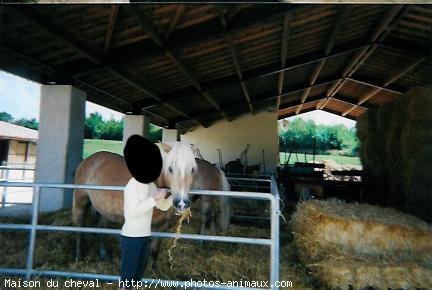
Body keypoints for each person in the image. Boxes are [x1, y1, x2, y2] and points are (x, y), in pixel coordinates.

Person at [120, 135, 169, 290]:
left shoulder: (151, 186)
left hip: (145, 237)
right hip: (131, 238)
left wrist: (176, 199)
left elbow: (163, 206)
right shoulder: (131, 186)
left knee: (137, 279)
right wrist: (154, 200)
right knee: (127, 280)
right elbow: (133, 212)